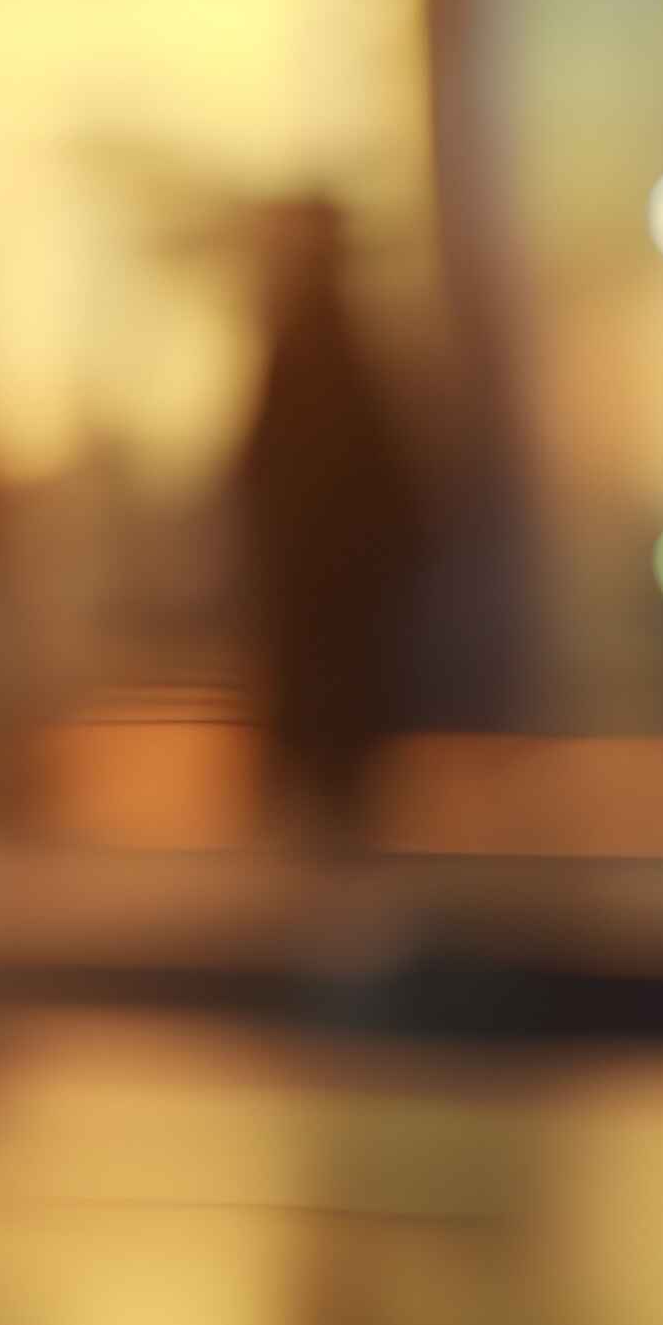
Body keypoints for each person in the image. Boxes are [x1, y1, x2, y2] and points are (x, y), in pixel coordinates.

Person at [231, 196, 426, 845]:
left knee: (328, 689)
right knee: (332, 689)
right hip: (326, 562)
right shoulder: (318, 327)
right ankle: (328, 805)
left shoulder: (315, 329)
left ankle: (326, 805)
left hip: (325, 561)